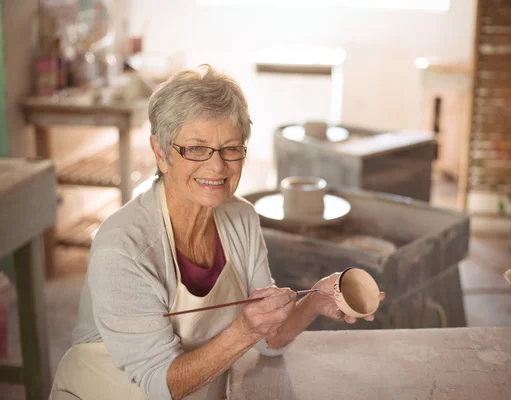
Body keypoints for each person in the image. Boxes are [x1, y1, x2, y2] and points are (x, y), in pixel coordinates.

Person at [50, 65, 383, 400]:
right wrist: (244, 329)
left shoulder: (241, 218)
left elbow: (269, 340)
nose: (217, 166)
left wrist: (315, 299)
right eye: (196, 148)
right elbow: (159, 385)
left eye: (231, 148)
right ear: (161, 153)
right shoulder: (123, 248)